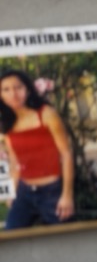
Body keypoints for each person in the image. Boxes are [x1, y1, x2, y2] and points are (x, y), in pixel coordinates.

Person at [0, 70, 75, 228]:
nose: (13, 94)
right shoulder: (6, 125)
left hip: (52, 193)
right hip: (24, 192)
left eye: (18, 87)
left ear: (27, 89)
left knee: (65, 241)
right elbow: (15, 163)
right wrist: (12, 191)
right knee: (12, 237)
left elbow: (66, 154)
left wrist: (67, 195)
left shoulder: (46, 114)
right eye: (6, 89)